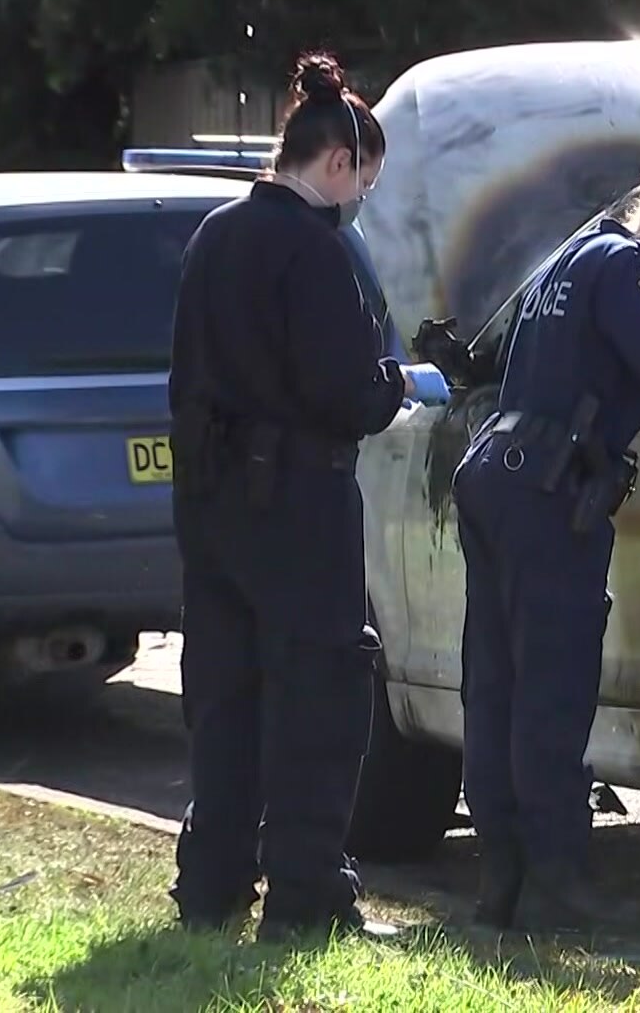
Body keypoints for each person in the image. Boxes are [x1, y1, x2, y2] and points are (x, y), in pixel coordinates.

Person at [166, 50, 453, 942]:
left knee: (224, 696)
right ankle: (307, 895)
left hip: (213, 501)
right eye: (364, 179)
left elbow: (186, 375)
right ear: (338, 165)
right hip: (300, 499)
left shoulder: (215, 234)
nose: (361, 196)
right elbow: (345, 393)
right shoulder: (317, 250)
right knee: (320, 698)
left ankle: (210, 885)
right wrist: (399, 385)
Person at [453, 142, 640, 936]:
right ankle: (558, 882)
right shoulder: (628, 268)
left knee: (498, 686)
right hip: (549, 493)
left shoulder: (572, 255)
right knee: (551, 688)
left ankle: (501, 879)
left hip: (499, 476)